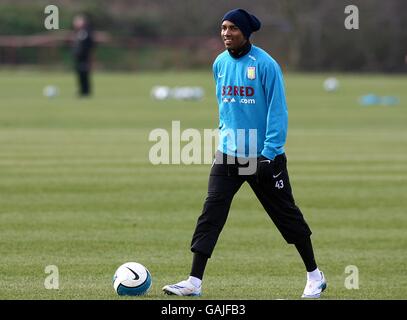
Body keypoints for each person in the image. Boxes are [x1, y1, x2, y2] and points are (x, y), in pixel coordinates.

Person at [162, 8, 327, 299]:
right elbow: (225, 108)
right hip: (228, 154)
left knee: (286, 216)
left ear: (245, 32)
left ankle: (315, 275)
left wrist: (270, 153)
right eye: (223, 28)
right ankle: (193, 281)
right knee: (211, 213)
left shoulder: (266, 65)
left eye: (232, 28)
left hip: (264, 157)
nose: (226, 33)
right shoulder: (219, 64)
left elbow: (278, 112)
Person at [72, 14, 94, 97]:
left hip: (84, 58)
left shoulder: (86, 32)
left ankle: (86, 92)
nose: (75, 23)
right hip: (79, 58)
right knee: (80, 75)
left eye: (77, 21)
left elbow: (89, 45)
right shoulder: (79, 32)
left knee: (84, 74)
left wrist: (88, 56)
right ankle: (82, 91)